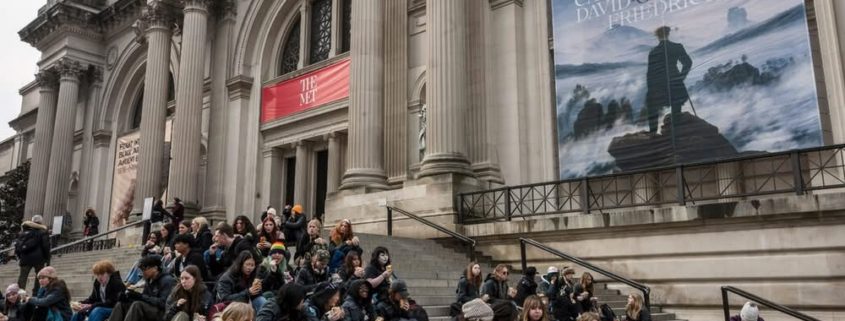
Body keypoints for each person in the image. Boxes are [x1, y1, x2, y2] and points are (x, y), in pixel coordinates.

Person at [644, 26, 692, 134]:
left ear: (657, 36)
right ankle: (676, 130)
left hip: (658, 85)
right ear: (668, 34)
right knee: (676, 105)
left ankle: (653, 134)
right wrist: (681, 77)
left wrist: (651, 89)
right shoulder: (677, 47)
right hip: (675, 82)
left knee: (652, 107)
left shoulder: (653, 52)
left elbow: (650, 73)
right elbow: (688, 63)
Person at [110, 256, 176, 321]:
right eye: (141, 270)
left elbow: (163, 303)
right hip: (150, 309)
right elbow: (145, 299)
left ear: (155, 268)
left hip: (162, 313)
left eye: (144, 269)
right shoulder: (149, 280)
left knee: (137, 305)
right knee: (121, 304)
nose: (142, 272)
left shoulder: (167, 280)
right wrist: (129, 297)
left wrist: (140, 296)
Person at [14, 215, 50, 293]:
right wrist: (47, 258)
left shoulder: (23, 232)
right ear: (41, 222)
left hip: (25, 258)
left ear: (32, 221)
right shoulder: (43, 231)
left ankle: (20, 293)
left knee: (23, 277)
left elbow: (17, 246)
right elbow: (45, 246)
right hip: (39, 258)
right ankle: (36, 293)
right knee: (39, 277)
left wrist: (20, 256)